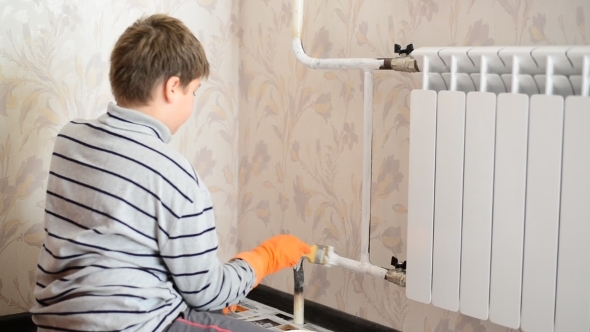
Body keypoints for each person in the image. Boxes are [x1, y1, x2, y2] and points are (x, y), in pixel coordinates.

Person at [30, 13, 311, 332]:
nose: (192, 101)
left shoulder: (69, 139)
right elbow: (208, 294)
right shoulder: (173, 175)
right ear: (172, 87)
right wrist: (265, 258)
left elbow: (120, 247)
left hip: (57, 324)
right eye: (194, 91)